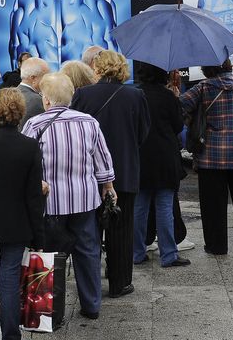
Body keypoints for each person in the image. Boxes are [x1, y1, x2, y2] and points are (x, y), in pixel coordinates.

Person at [22, 73, 115, 320]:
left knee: (48, 256)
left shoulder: (35, 125)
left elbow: (25, 164)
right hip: (84, 200)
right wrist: (107, 186)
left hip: (49, 204)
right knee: (88, 252)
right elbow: (102, 161)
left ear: (48, 99)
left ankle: (47, 311)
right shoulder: (89, 122)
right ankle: (91, 305)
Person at [71, 50, 150, 298]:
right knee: (121, 229)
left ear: (97, 68)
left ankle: (91, 283)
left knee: (90, 230)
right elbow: (143, 133)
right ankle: (120, 283)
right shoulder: (135, 95)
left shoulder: (83, 95)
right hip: (124, 172)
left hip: (89, 173)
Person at [0, 88, 45, 340]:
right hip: (17, 221)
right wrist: (39, 232)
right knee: (10, 279)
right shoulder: (29, 146)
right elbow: (33, 195)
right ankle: (10, 335)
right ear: (19, 112)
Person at [180, 59, 233, 255]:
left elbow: (180, 106)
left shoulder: (202, 89)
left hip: (211, 155)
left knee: (212, 204)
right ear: (229, 67)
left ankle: (216, 245)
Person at [133, 63, 190, 268]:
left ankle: (137, 252)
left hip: (140, 156)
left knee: (139, 207)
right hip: (165, 156)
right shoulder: (167, 97)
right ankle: (168, 254)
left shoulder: (134, 95)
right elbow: (178, 126)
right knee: (165, 205)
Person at [16, 56, 50, 128]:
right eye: (46, 76)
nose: (48, 80)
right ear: (33, 78)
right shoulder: (36, 101)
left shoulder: (13, 94)